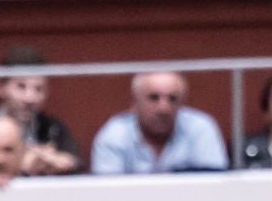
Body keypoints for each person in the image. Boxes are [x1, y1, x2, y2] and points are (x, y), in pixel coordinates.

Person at [90, 71, 229, 174]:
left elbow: (213, 186)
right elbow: (108, 196)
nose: (164, 109)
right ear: (134, 104)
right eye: (153, 98)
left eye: (173, 99)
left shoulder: (200, 127)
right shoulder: (114, 135)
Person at [0, 46, 80, 174]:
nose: (30, 98)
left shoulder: (52, 128)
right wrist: (18, 164)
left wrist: (55, 162)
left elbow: (75, 164)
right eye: (21, 87)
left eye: (39, 89)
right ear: (1, 88)